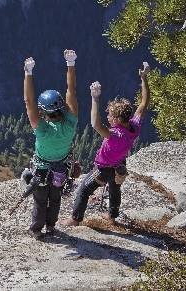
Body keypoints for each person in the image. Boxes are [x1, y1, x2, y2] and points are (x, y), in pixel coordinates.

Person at [60, 62, 150, 227]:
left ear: (116, 119)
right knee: (115, 188)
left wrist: (95, 98)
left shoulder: (115, 134)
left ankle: (75, 219)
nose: (107, 117)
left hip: (104, 169)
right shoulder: (134, 127)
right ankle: (112, 215)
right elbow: (144, 103)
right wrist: (144, 79)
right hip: (120, 165)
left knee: (84, 190)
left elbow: (95, 124)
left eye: (109, 115)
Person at [23, 50, 78, 240]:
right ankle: (51, 226)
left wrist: (28, 73)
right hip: (60, 169)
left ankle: (36, 230)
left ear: (43, 111)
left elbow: (28, 102)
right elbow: (71, 91)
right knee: (55, 198)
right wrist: (70, 63)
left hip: (41, 169)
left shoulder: (41, 128)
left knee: (39, 200)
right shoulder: (70, 124)